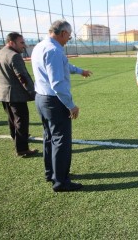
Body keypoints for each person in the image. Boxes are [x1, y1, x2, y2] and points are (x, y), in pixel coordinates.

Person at [31, 20, 92, 192]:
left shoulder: (40, 46)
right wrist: (71, 105)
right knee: (61, 141)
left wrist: (80, 71)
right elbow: (57, 83)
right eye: (70, 35)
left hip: (41, 99)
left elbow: (64, 66)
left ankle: (50, 173)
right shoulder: (54, 50)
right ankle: (61, 182)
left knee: (49, 138)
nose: (69, 38)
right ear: (63, 33)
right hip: (53, 101)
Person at [0, 32, 37, 157]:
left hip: (1, 92)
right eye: (21, 43)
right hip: (15, 94)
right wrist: (33, 93)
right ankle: (22, 149)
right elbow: (22, 77)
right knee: (21, 119)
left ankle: (15, 137)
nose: (24, 45)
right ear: (11, 42)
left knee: (11, 118)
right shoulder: (14, 56)